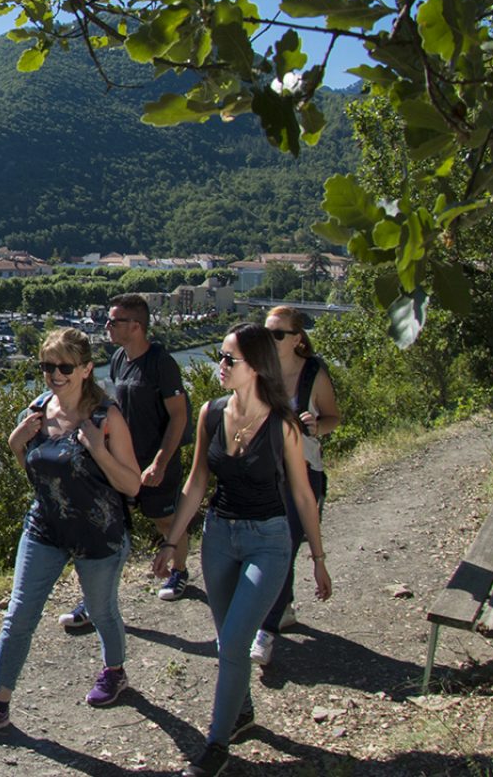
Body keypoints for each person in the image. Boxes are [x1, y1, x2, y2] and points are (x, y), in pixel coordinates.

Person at [153, 324, 331, 777]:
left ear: (255, 367)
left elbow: (303, 495)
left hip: (269, 541)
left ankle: (216, 743)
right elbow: (196, 483)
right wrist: (174, 541)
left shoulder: (283, 423)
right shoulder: (211, 414)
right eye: (221, 357)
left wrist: (317, 558)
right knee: (227, 640)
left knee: (233, 642)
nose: (221, 366)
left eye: (230, 359)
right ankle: (243, 711)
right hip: (219, 537)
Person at [0, 329, 144, 737]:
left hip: (98, 534)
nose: (54, 374)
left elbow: (131, 485)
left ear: (86, 368)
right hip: (44, 527)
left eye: (64, 366)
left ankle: (114, 672)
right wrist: (16, 445)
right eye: (46, 366)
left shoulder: (105, 418)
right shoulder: (38, 410)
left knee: (101, 610)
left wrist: (96, 449)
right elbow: (41, 476)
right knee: (18, 615)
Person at [62, 294, 189, 631]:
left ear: (136, 326)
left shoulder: (161, 363)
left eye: (114, 321)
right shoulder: (118, 359)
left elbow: (179, 417)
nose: (107, 325)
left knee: (165, 521)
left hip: (155, 462)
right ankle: (94, 599)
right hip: (122, 463)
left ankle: (179, 571)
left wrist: (161, 462)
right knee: (106, 526)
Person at [251, 305, 340, 667]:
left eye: (277, 334)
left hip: (304, 472)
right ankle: (281, 609)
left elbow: (334, 417)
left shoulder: (313, 375)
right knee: (268, 547)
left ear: (297, 339)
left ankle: (266, 631)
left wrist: (318, 426)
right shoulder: (260, 373)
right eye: (266, 333)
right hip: (266, 473)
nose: (270, 341)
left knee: (283, 547)